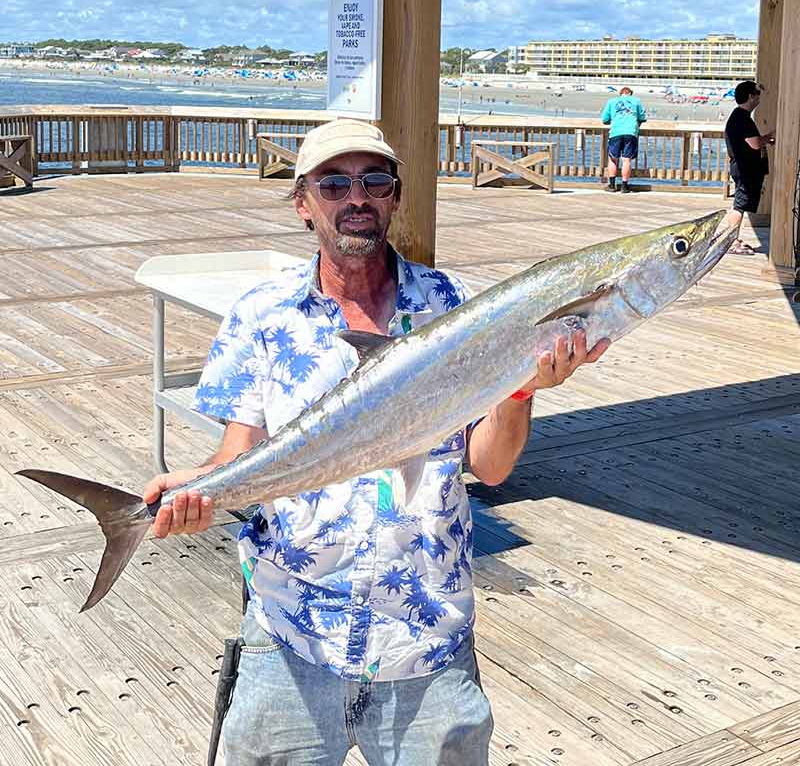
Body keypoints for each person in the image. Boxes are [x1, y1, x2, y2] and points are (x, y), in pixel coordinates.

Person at [142, 118, 609, 766]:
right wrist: (196, 491)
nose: (355, 196)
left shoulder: (454, 305)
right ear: (304, 201)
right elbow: (236, 456)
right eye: (334, 182)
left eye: (374, 179)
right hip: (292, 637)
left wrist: (521, 386)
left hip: (427, 644)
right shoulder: (262, 315)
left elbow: (492, 466)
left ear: (394, 195)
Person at [722, 80, 776, 255]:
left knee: (740, 204)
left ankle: (733, 239)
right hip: (745, 170)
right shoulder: (741, 118)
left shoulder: (739, 116)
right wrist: (769, 136)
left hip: (743, 168)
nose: (759, 97)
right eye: (757, 93)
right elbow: (754, 143)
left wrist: (765, 139)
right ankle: (731, 242)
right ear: (750, 96)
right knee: (739, 205)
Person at [601, 87, 647, 193]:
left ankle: (612, 186)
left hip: (616, 132)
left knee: (613, 159)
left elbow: (604, 119)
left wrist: (614, 121)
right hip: (631, 132)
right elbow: (643, 117)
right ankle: (624, 186)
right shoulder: (636, 101)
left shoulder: (612, 101)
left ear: (620, 94)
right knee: (626, 160)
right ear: (630, 94)